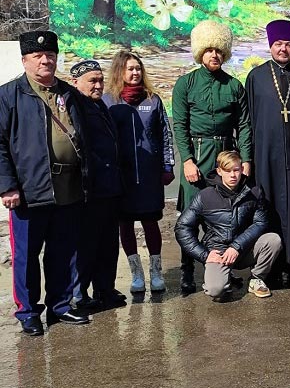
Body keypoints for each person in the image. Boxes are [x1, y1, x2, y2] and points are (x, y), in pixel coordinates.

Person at [0, 30, 90, 335]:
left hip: (69, 187)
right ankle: (28, 312)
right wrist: (7, 185)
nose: (45, 60)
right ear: (25, 60)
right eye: (38, 56)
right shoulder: (8, 95)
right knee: (26, 256)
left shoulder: (68, 93)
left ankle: (60, 305)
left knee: (62, 251)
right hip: (29, 190)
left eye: (50, 55)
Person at [172, 20, 252, 293]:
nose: (214, 55)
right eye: (208, 51)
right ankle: (186, 270)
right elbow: (180, 125)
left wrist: (247, 159)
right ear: (199, 53)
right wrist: (187, 160)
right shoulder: (186, 84)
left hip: (227, 153)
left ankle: (225, 268)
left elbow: (243, 125)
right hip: (198, 153)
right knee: (190, 216)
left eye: (219, 51)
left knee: (228, 215)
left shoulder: (233, 86)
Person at [245, 19, 290, 286]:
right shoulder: (256, 77)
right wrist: (249, 159)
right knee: (269, 208)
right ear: (270, 46)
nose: (283, 49)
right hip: (267, 157)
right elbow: (249, 120)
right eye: (278, 44)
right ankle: (270, 268)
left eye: (288, 44)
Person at [103, 51, 175, 293]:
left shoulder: (153, 100)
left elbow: (165, 134)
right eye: (129, 69)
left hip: (149, 175)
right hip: (121, 176)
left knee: (150, 222)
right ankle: (136, 274)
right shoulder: (108, 101)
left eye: (138, 68)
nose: (135, 73)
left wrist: (167, 166)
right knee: (125, 224)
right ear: (119, 72)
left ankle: (155, 272)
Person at [175, 151, 282, 300]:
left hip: (243, 249)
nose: (233, 175)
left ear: (241, 170)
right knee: (216, 291)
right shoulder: (205, 196)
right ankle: (225, 279)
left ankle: (256, 278)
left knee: (273, 240)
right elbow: (182, 227)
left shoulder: (254, 192)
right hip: (218, 253)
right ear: (219, 171)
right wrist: (205, 255)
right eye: (228, 171)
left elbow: (260, 223)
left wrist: (236, 246)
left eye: (236, 170)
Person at [70, 60, 126, 309]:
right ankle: (79, 295)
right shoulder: (76, 107)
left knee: (108, 243)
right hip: (89, 190)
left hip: (110, 187)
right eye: (92, 80)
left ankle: (105, 289)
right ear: (76, 83)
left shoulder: (100, 105)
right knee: (87, 245)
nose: (98, 85)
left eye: (101, 80)